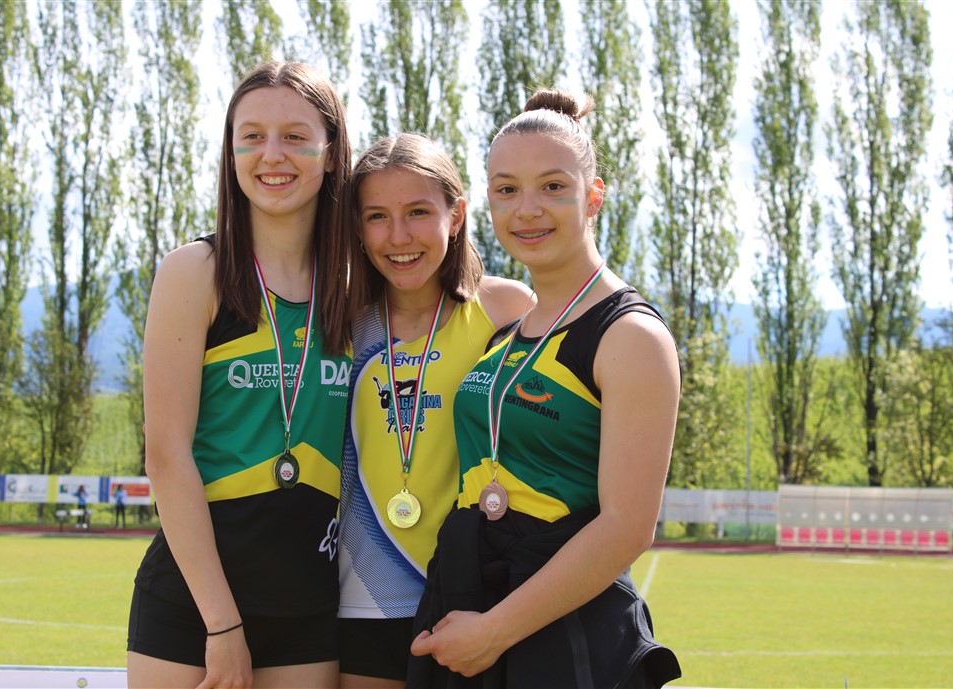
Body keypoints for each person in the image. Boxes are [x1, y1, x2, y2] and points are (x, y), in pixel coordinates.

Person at [407, 89, 683, 688]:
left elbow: (628, 527)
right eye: (507, 190)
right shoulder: (507, 334)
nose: (527, 209)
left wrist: (495, 631)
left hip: (560, 632)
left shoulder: (631, 335)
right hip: (466, 605)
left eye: (553, 187)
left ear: (593, 196)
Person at [127, 60, 353, 689]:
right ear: (231, 153)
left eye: (295, 136)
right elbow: (165, 455)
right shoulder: (194, 271)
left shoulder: (355, 285)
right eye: (251, 136)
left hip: (309, 605)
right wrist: (222, 626)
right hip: (194, 607)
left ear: (331, 152)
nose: (271, 154)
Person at [337, 134, 534, 689]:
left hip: (471, 598)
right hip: (365, 597)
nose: (398, 237)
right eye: (377, 216)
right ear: (358, 229)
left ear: (456, 215)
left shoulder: (506, 308)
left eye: (419, 212)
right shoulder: (341, 322)